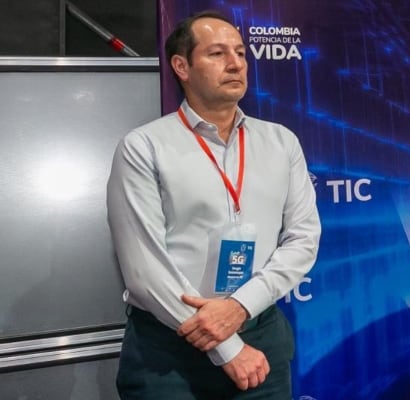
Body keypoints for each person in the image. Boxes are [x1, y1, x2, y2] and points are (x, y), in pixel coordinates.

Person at [106, 10, 320, 399]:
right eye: (217, 53)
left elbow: (303, 238)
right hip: (168, 351)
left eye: (240, 52)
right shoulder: (144, 147)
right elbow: (144, 270)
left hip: (260, 336)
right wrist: (228, 349)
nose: (235, 63)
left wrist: (239, 306)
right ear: (181, 67)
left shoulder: (281, 142)